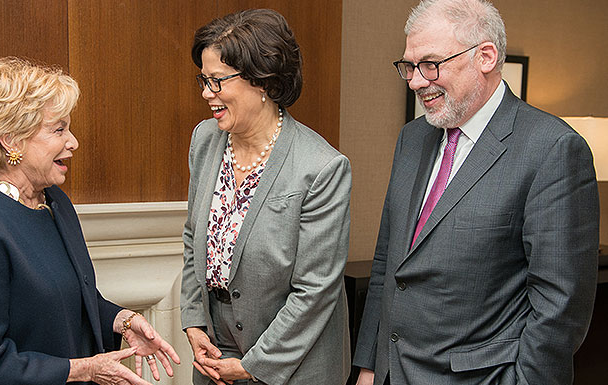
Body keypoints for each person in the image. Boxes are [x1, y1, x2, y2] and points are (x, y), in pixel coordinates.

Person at [353, 1, 599, 384]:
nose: (416, 81)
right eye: (409, 66)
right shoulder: (412, 138)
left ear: (485, 57)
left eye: (430, 64)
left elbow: (559, 309)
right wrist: (369, 366)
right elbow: (388, 262)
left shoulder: (552, 148)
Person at [0, 57, 180, 385]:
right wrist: (84, 370)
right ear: (10, 139)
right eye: (59, 129)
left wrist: (121, 320)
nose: (73, 142)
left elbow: (62, 301)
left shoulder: (52, 201)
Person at [181, 9, 351, 385]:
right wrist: (193, 322)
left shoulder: (321, 167)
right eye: (203, 79)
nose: (206, 93)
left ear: (263, 82)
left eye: (218, 81)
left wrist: (251, 365)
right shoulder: (204, 140)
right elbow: (193, 237)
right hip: (216, 354)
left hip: (295, 364)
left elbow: (315, 291)